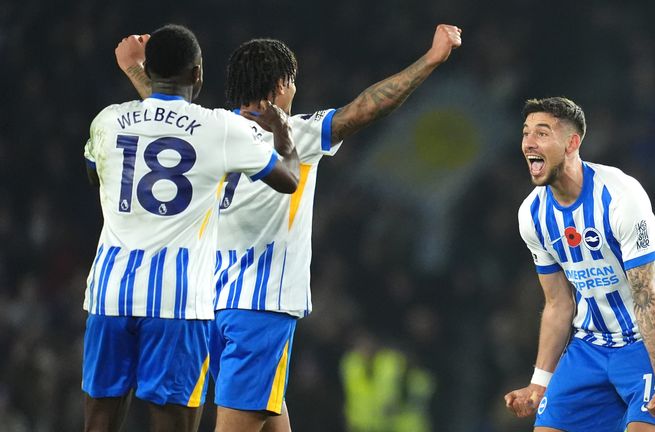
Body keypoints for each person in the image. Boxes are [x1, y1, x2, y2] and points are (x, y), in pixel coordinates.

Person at [114, 23, 462, 431]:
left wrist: (136, 71)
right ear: (281, 85)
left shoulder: (209, 130)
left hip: (206, 303)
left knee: (273, 417)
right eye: (292, 81)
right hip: (260, 309)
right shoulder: (294, 134)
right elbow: (368, 106)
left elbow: (167, 117)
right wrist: (431, 59)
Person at [83, 24, 300, 432]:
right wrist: (284, 133)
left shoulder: (108, 121)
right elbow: (288, 178)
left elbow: (96, 175)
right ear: (198, 74)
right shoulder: (218, 128)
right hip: (177, 300)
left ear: (148, 70)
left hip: (110, 292)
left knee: (98, 426)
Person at [503, 97, 655, 432]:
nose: (529, 143)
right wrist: (538, 383)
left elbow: (646, 297)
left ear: (572, 143)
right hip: (591, 344)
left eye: (542, 134)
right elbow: (558, 303)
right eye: (526, 133)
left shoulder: (620, 197)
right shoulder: (531, 216)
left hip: (650, 341)